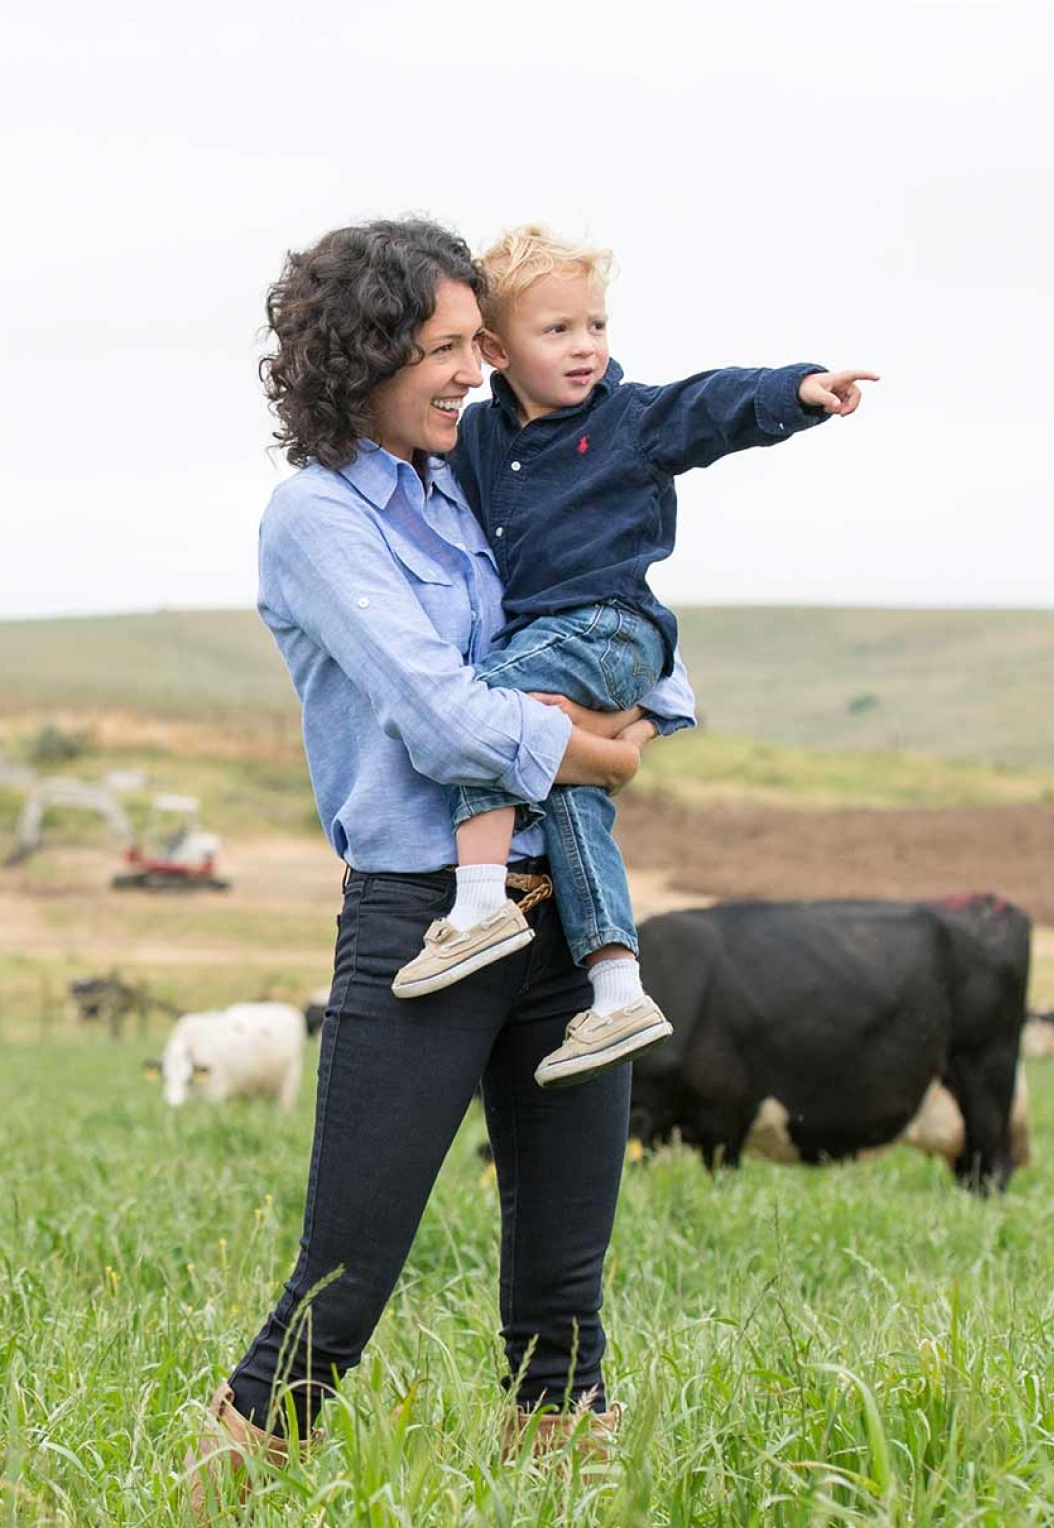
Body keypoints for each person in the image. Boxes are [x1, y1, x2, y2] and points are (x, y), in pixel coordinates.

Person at [185, 218, 697, 1512]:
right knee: (347, 1274)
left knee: (564, 1296)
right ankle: (208, 1494)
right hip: (426, 920)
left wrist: (645, 701)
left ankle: (561, 1500)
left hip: (562, 916)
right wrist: (606, 759)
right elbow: (442, 715)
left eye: (479, 340)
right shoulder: (315, 519)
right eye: (446, 348)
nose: (477, 369)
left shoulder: (461, 478)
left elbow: (591, 593)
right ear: (363, 357)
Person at [392, 225, 877, 1088]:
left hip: (611, 631)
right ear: (496, 349)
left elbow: (710, 405)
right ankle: (617, 986)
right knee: (566, 788)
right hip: (553, 644)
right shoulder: (473, 443)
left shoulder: (630, 421)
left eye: (596, 326)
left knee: (485, 711)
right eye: (559, 331)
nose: (586, 347)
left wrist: (799, 391)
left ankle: (477, 906)